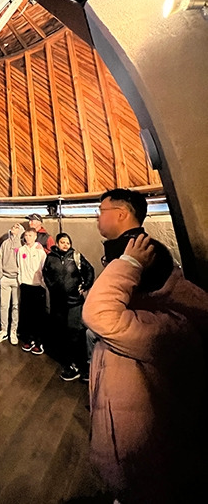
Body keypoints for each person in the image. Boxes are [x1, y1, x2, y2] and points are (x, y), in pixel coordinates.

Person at [83, 188, 208, 504]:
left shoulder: (160, 325)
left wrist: (128, 262)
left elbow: (99, 313)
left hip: (142, 458)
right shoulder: (155, 312)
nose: (97, 217)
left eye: (101, 211)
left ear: (121, 213)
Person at [43, 232, 94, 381]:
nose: (65, 245)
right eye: (62, 242)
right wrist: (52, 288)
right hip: (58, 303)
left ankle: (80, 365)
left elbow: (89, 270)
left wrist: (85, 285)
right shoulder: (50, 258)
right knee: (62, 333)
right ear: (57, 243)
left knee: (75, 333)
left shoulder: (76, 256)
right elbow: (46, 274)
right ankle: (69, 363)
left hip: (74, 302)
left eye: (68, 242)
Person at [17, 229, 47, 354]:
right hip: (25, 285)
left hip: (37, 286)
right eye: (26, 235)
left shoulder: (40, 251)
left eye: (30, 235)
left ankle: (38, 341)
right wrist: (21, 281)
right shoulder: (21, 250)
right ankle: (28, 339)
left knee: (38, 315)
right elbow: (20, 266)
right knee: (26, 314)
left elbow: (44, 268)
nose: (28, 237)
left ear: (35, 237)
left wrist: (42, 284)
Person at [0, 222, 24, 345]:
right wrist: (0, 275)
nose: (14, 228)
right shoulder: (5, 243)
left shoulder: (22, 245)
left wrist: (20, 276)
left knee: (15, 306)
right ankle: (3, 330)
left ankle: (13, 331)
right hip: (5, 278)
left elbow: (24, 261)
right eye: (13, 226)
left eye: (17, 227)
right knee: (3, 306)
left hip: (16, 279)